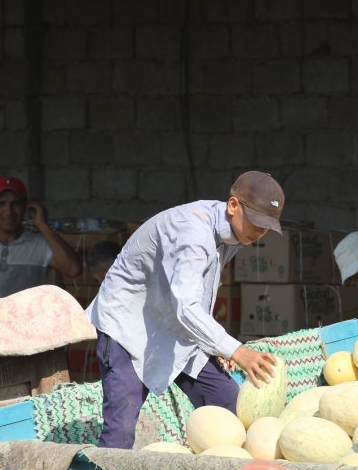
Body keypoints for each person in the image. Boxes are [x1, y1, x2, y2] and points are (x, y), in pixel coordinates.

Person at [85, 171, 284, 449]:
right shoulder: (193, 232)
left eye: (266, 226)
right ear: (233, 205)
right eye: (256, 222)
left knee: (228, 405)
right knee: (120, 432)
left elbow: (196, 293)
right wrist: (236, 351)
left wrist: (216, 345)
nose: (260, 232)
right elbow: (186, 306)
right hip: (129, 328)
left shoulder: (234, 235)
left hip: (176, 325)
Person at [0, 176, 83, 298]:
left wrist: (43, 225)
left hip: (28, 317)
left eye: (15, 204)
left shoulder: (40, 245)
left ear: (25, 207)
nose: (8, 211)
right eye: (1, 204)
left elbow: (74, 270)